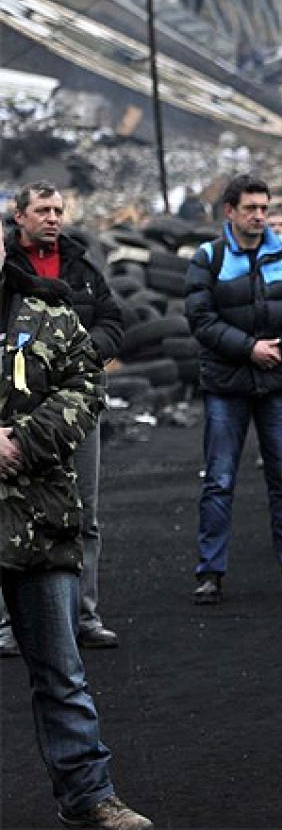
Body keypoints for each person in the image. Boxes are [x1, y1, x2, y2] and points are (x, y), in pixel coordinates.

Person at [0, 228, 152, 829]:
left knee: (62, 674)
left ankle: (89, 796)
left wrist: (21, 442)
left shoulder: (49, 315)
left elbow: (85, 389)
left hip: (39, 520)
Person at [184, 174, 282, 604]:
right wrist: (250, 349)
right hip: (227, 385)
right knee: (219, 480)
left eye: (264, 208)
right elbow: (200, 319)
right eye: (250, 208)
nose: (259, 216)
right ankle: (210, 572)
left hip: (280, 381)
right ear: (229, 211)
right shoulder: (208, 257)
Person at [0, 181, 124, 658]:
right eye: (43, 210)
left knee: (83, 512)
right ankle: (10, 623)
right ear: (20, 217)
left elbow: (113, 320)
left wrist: (84, 355)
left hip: (73, 408)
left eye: (59, 209)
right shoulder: (11, 270)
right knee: (9, 512)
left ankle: (84, 615)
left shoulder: (83, 269)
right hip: (14, 417)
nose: (53, 217)